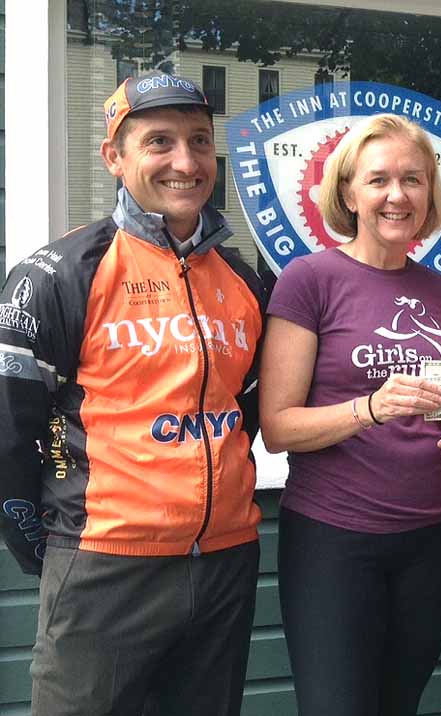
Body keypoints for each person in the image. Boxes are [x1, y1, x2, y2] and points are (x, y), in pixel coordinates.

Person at [0, 70, 264, 715]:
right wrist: (50, 544)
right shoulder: (59, 273)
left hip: (224, 561)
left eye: (199, 141)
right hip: (104, 564)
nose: (186, 162)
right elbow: (10, 431)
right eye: (159, 142)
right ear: (114, 157)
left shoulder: (244, 280)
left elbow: (246, 410)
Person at [259, 113, 441, 716]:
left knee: (398, 704)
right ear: (348, 192)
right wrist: (369, 408)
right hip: (335, 540)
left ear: (429, 194)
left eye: (413, 180)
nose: (396, 195)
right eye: (378, 179)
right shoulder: (309, 281)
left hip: (434, 537)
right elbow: (277, 427)